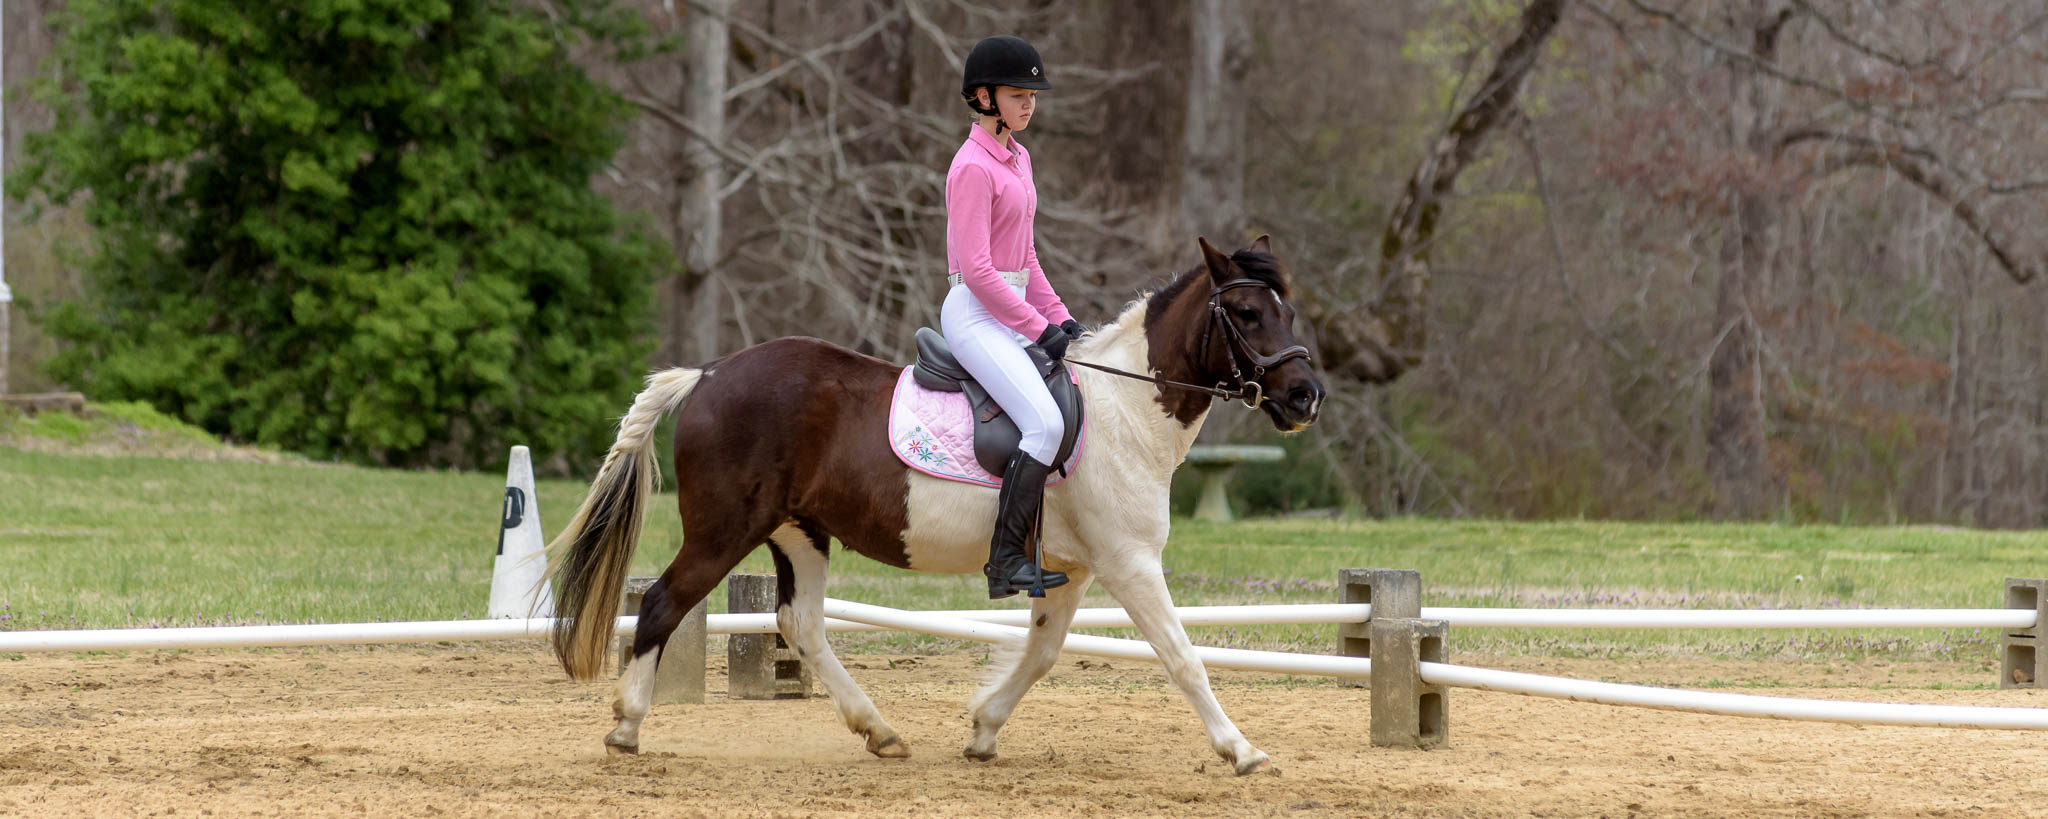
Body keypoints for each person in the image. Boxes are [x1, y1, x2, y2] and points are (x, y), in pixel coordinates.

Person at [944, 35, 1083, 599]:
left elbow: (1024, 258)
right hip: (976, 314)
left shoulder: (1019, 159)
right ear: (983, 97)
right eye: (1017, 93)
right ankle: (1005, 561)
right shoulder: (971, 168)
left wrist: (1064, 321)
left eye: (1033, 94)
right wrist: (1037, 328)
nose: (1029, 103)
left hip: (1013, 307)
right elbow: (979, 271)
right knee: (1045, 425)